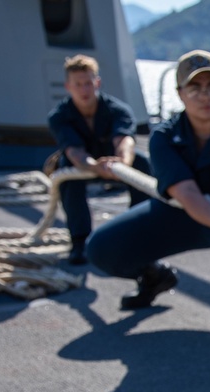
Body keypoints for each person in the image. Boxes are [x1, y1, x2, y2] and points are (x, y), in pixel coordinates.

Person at [87, 50, 210, 309]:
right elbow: (187, 193)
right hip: (181, 212)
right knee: (102, 249)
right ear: (180, 93)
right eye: (194, 88)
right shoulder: (165, 137)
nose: (205, 95)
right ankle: (154, 276)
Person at [47, 54, 153, 264]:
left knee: (143, 164)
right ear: (68, 87)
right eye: (78, 84)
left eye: (88, 83)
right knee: (66, 172)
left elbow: (125, 142)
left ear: (97, 82)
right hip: (84, 164)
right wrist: (95, 167)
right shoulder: (59, 116)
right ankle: (80, 240)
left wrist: (121, 163)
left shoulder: (118, 110)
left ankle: (137, 234)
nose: (84, 90)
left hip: (115, 162)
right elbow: (74, 152)